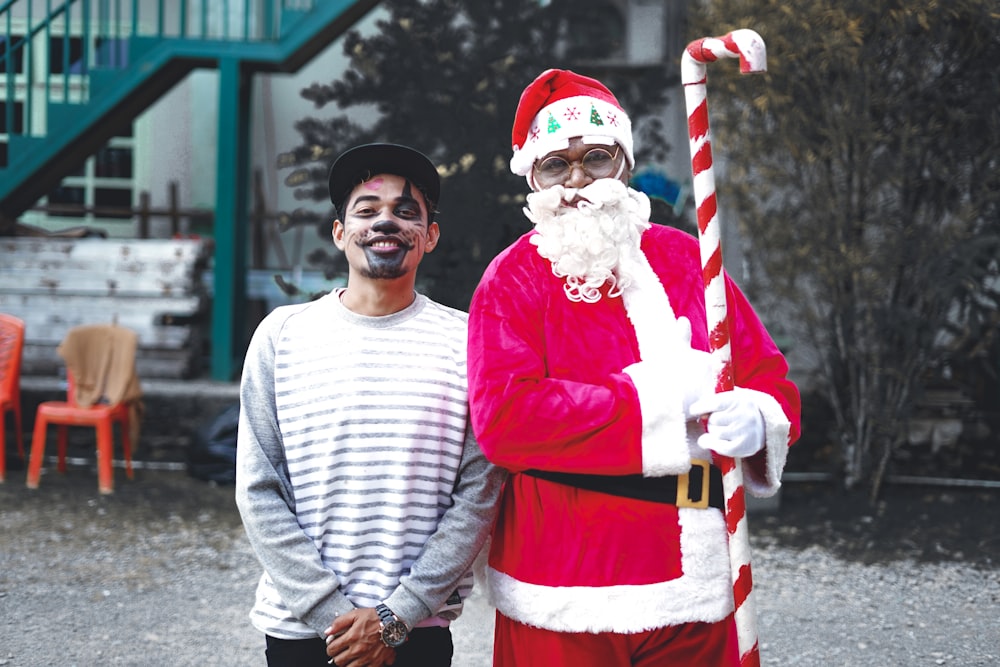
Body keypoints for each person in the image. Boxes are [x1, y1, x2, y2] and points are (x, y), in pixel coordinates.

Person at [466, 69, 802, 666]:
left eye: (595, 159)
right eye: (554, 166)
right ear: (533, 177)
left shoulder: (690, 261)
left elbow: (768, 378)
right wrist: (659, 404)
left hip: (698, 589)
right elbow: (506, 421)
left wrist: (758, 417)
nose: (576, 182)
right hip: (562, 587)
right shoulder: (511, 278)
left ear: (624, 162)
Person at [236, 143, 505, 667]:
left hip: (416, 630)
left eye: (406, 212)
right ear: (341, 233)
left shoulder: (469, 341)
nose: (386, 221)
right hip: (302, 631)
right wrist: (333, 615)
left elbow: (479, 491)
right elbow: (259, 488)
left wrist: (394, 617)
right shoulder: (281, 336)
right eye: (367, 210)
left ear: (429, 237)